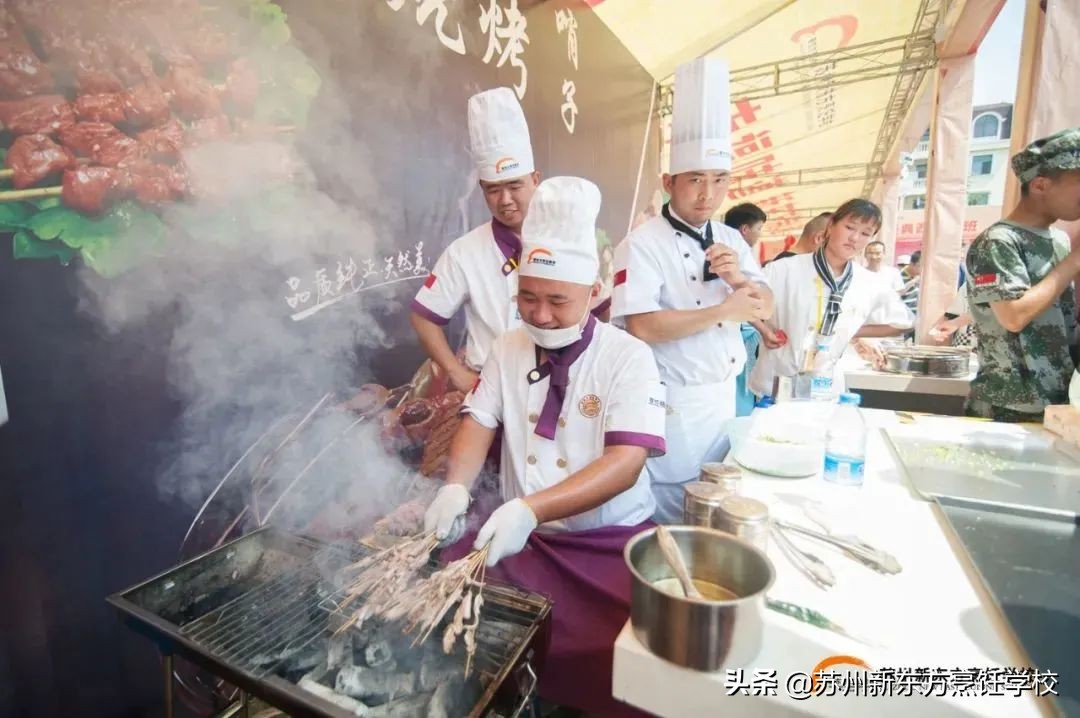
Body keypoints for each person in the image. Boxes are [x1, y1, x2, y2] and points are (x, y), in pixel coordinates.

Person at [423, 176, 666, 716]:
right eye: (527, 298)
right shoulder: (510, 347)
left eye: (558, 300)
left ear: (593, 290)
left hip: (607, 541)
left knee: (617, 656)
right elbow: (478, 419)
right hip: (523, 543)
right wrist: (456, 489)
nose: (539, 314)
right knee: (480, 629)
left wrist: (532, 509)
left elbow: (626, 463)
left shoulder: (627, 358)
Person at [612, 56, 772, 523]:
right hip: (675, 401)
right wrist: (724, 311)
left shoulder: (730, 238)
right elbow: (641, 326)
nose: (707, 194)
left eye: (719, 180)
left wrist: (739, 282)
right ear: (669, 183)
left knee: (722, 503)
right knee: (673, 507)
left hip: (726, 395)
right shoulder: (641, 245)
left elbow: (766, 305)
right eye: (695, 180)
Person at [410, 88, 609, 395]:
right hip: (493, 390)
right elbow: (424, 316)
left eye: (515, 186)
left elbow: (602, 306)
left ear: (535, 179)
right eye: (493, 190)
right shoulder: (465, 252)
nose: (505, 200)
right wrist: (455, 372)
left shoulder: (570, 236)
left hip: (564, 386)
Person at [964, 127, 1080, 422]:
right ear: (1040, 185)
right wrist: (1075, 262)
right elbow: (1013, 316)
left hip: (1056, 402)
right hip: (1008, 405)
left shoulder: (1059, 241)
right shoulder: (1000, 241)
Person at [750, 199, 913, 399]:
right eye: (849, 227)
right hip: (777, 380)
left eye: (865, 233)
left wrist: (851, 330)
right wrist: (764, 330)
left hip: (825, 383)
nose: (854, 238)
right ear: (831, 226)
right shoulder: (784, 269)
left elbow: (904, 322)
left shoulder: (868, 283)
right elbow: (743, 300)